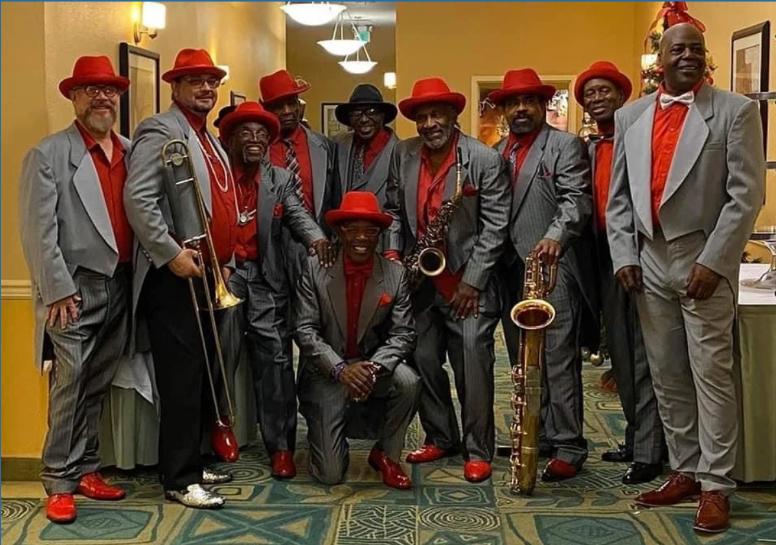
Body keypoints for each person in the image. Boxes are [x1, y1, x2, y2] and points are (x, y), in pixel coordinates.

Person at [607, 23, 765, 534]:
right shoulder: (629, 116)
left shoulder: (735, 111)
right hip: (648, 258)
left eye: (698, 48)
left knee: (711, 375)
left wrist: (715, 261)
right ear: (660, 59)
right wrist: (623, 254)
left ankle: (717, 485)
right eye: (679, 49)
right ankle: (686, 469)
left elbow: (746, 196)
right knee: (668, 374)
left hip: (703, 258)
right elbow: (618, 200)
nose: (689, 55)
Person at [19, 55, 132, 524]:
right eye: (90, 90)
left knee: (98, 382)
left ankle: (87, 467)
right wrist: (57, 291)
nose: (101, 97)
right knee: (69, 382)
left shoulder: (129, 147)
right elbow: (37, 232)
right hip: (73, 289)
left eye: (108, 89)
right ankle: (59, 481)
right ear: (73, 97)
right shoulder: (48, 155)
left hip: (122, 284)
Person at [124, 48, 237, 509]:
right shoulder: (160, 129)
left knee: (201, 375)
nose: (205, 89)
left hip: (205, 271)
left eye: (211, 81)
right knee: (182, 378)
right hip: (174, 277)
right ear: (174, 87)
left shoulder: (205, 136)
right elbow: (139, 201)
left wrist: (221, 259)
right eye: (194, 81)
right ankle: (179, 479)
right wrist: (171, 255)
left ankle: (189, 460)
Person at [384, 78, 511, 483]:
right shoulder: (403, 154)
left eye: (437, 114)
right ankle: (441, 435)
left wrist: (472, 282)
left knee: (472, 360)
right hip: (420, 280)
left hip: (467, 281)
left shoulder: (483, 158)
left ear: (453, 116)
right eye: (422, 117)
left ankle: (478, 448)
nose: (429, 123)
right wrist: (392, 254)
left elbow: (495, 227)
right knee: (422, 358)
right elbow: (390, 207)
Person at [216, 101, 334, 478]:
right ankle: (217, 429)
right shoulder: (215, 174)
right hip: (224, 273)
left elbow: (298, 214)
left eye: (262, 135)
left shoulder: (279, 178)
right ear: (230, 138)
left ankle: (280, 446)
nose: (255, 140)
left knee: (276, 359)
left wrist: (317, 240)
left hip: (265, 276)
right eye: (246, 133)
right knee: (220, 354)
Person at [491, 68, 597, 482]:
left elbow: (576, 201)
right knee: (524, 360)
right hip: (508, 271)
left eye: (529, 101)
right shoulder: (498, 151)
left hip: (551, 269)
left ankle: (570, 443)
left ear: (542, 106)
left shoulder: (565, 145)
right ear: (503, 110)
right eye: (512, 103)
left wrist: (555, 237)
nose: (520, 109)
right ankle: (541, 433)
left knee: (556, 358)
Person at [575, 61, 663, 484]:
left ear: (622, 94)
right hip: (604, 258)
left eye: (604, 90)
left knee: (643, 355)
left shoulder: (643, 137)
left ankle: (649, 451)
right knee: (623, 357)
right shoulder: (590, 148)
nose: (596, 99)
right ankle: (635, 435)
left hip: (641, 258)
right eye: (589, 93)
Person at [295, 191, 419, 488]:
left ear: (380, 234)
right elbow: (305, 331)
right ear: (339, 231)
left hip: (369, 367)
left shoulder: (394, 274)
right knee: (330, 475)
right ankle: (328, 431)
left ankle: (387, 454)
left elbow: (404, 333)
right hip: (327, 372)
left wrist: (372, 369)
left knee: (408, 381)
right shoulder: (316, 268)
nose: (361, 237)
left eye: (370, 230)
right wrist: (340, 370)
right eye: (353, 230)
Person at [259, 70, 339, 283]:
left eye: (291, 102)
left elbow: (334, 199)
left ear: (299, 104)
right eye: (277, 105)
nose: (286, 111)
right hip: (270, 248)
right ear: (265, 108)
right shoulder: (258, 149)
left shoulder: (324, 146)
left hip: (318, 247)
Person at [333, 84, 399, 210]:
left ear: (382, 115)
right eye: (356, 113)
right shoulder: (338, 145)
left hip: (383, 228)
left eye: (371, 112)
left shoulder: (401, 153)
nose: (363, 119)